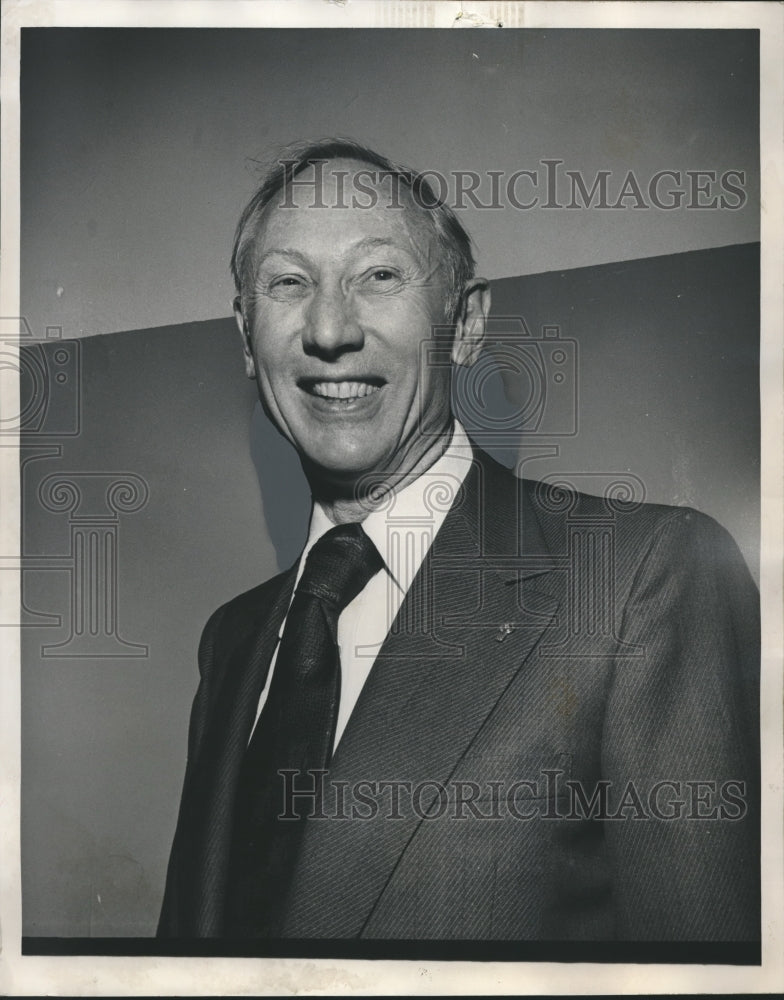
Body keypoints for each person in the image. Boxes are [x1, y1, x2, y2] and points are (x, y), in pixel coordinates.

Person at [158, 138, 760, 942]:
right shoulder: (232, 641)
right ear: (244, 336)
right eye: (289, 283)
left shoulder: (642, 578)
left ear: (466, 323)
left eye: (380, 276)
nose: (330, 328)